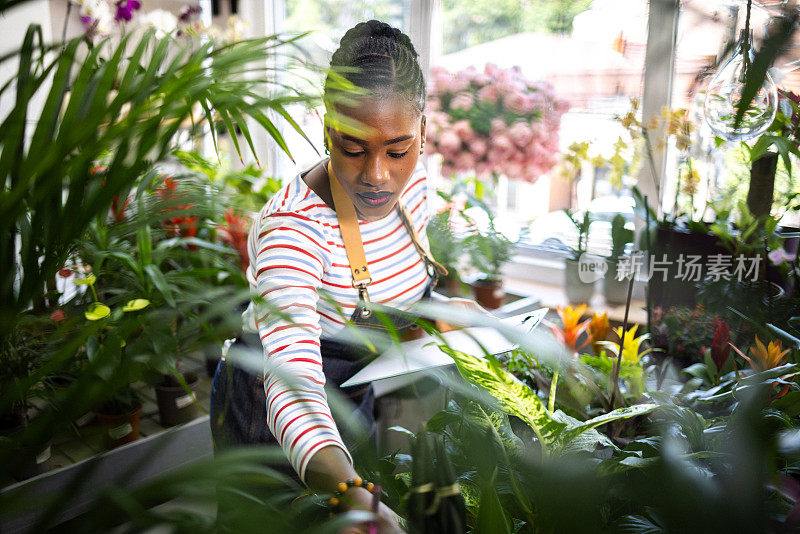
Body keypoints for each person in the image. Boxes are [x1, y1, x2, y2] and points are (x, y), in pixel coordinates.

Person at [210, 19, 479, 533]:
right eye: (353, 148)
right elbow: (295, 388)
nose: (377, 175)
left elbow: (395, 273)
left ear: (422, 133)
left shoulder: (416, 183)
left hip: (353, 396)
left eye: (397, 150)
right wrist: (351, 492)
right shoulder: (294, 230)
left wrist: (441, 310)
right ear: (327, 128)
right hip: (271, 411)